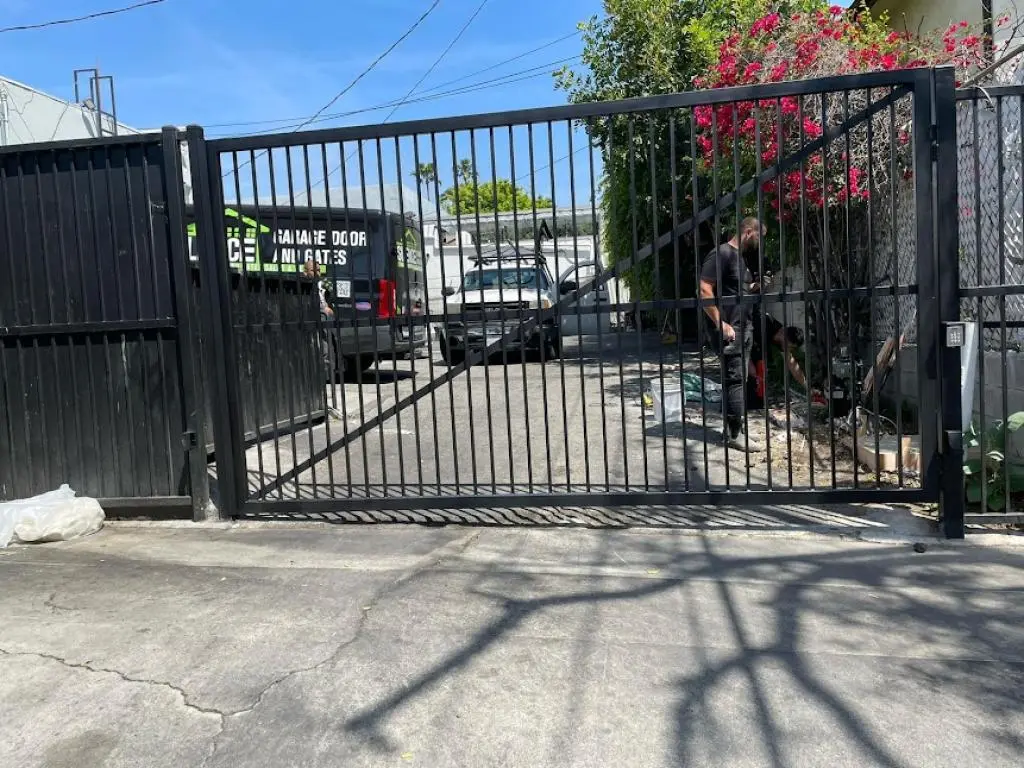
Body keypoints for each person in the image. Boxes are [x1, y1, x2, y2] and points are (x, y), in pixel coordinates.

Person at [699, 217, 766, 453]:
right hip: (730, 329)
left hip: (744, 326)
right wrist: (721, 323)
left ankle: (735, 428)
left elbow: (735, 290)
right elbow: (705, 289)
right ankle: (735, 435)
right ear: (748, 232)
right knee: (735, 380)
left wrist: (754, 288)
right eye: (758, 236)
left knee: (738, 380)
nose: (759, 242)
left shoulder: (740, 258)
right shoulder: (722, 254)